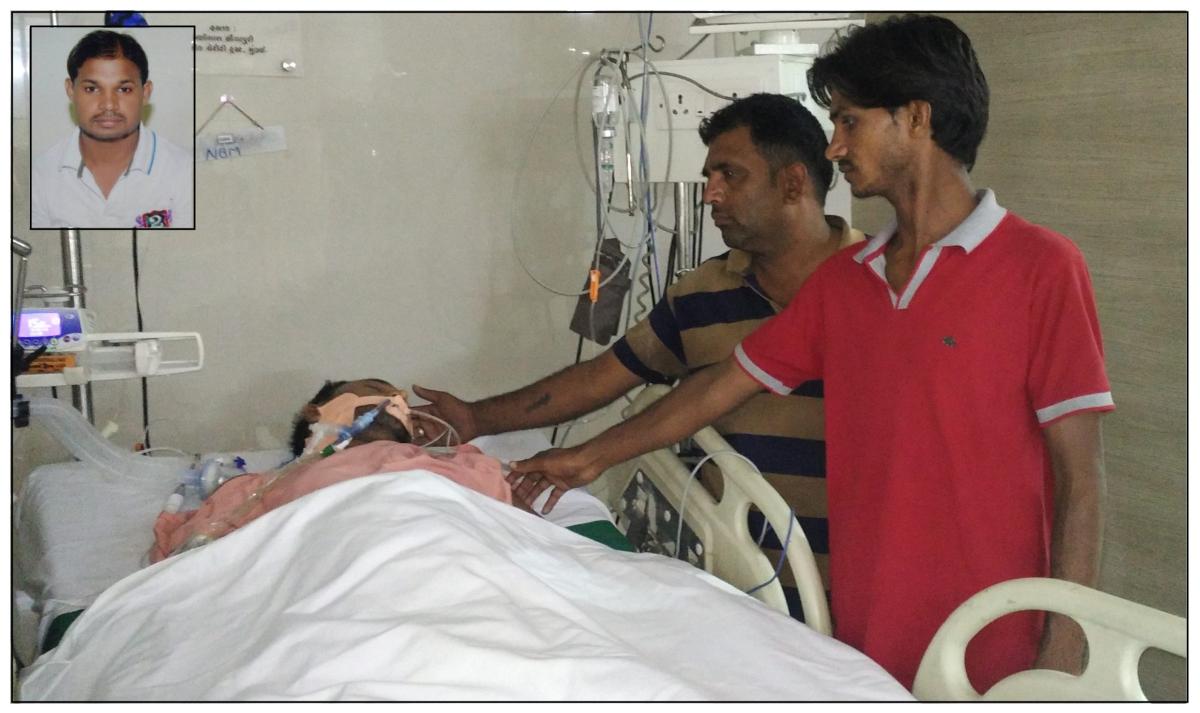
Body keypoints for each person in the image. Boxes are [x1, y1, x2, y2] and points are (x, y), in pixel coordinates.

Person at [508, 15, 1111, 693]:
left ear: (916, 118)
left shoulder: (1040, 269)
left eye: (850, 121)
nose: (834, 146)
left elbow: (1081, 480)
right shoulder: (845, 284)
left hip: (998, 642)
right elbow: (717, 387)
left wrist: (1063, 646)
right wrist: (588, 457)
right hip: (863, 644)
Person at [413, 93, 864, 618]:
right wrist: (475, 418)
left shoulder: (880, 285)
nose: (710, 194)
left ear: (792, 183)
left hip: (863, 568)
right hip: (744, 578)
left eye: (730, 175)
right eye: (708, 177)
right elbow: (601, 378)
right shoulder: (700, 296)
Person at [147, 378, 631, 563]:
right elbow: (194, 555)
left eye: (399, 398)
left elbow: (530, 533)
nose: (397, 399)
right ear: (319, 415)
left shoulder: (451, 463)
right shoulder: (262, 487)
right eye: (378, 390)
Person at [31, 29, 193, 229]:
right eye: (91, 89)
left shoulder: (185, 172)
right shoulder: (39, 175)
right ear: (70, 90)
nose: (108, 105)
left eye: (124, 89)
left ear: (145, 93)